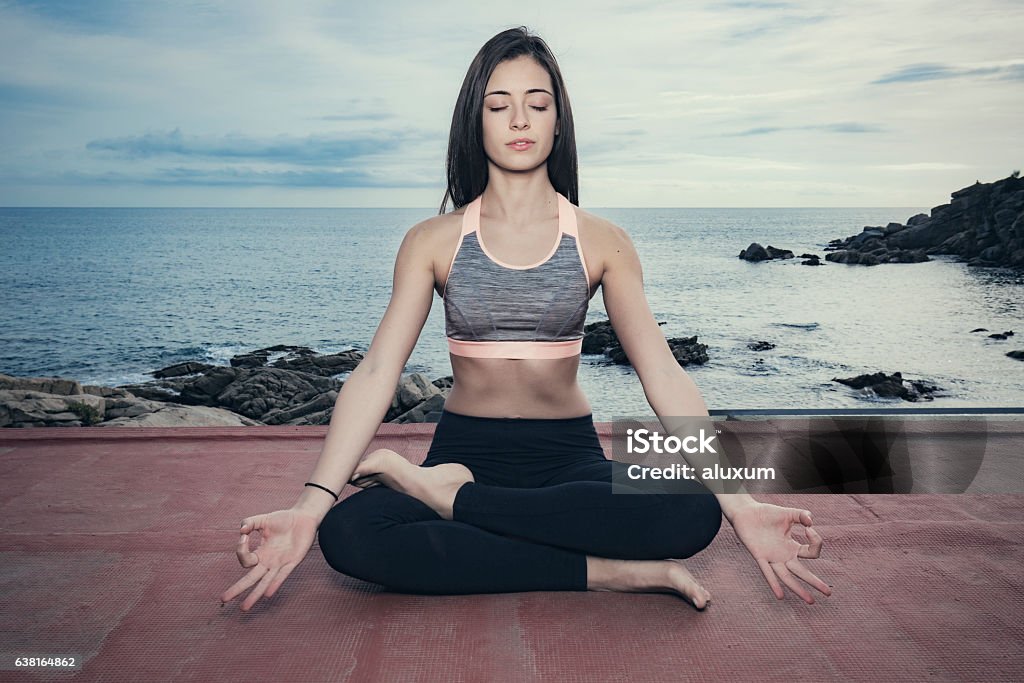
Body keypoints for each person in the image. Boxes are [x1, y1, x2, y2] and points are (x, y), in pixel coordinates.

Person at [221, 27, 831, 613]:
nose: (519, 121)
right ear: (475, 119)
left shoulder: (602, 241)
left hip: (568, 457)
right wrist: (308, 507)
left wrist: (741, 504)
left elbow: (665, 376)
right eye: (499, 105)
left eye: (536, 105)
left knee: (694, 511)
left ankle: (453, 503)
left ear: (556, 119)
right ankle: (604, 572)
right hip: (465, 447)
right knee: (350, 534)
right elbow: (379, 370)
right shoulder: (432, 241)